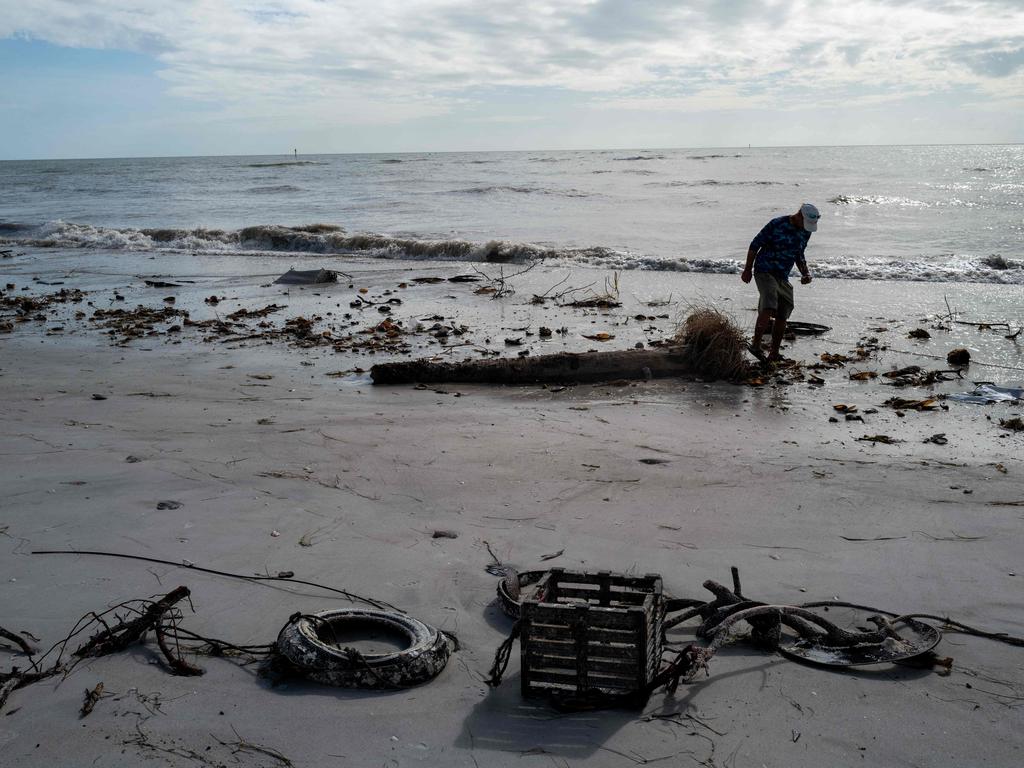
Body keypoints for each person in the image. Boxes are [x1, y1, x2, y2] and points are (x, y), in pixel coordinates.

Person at [741, 203, 820, 363]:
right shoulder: (776, 224)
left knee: (784, 312)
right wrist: (747, 269)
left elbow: (799, 254)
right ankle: (756, 345)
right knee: (770, 304)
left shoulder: (806, 231)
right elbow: (754, 245)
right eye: (806, 223)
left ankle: (774, 353)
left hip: (783, 275)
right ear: (799, 215)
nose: (807, 227)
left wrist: (805, 273)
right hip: (764, 269)